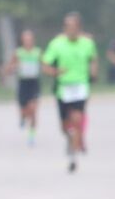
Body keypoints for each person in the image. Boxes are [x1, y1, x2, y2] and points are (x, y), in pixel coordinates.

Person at [42, 12, 98, 173]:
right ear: (64, 28)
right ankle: (71, 139)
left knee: (77, 119)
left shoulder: (87, 43)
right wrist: (55, 72)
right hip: (63, 89)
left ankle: (73, 157)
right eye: (68, 27)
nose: (71, 30)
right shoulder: (56, 44)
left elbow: (93, 59)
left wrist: (93, 73)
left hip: (80, 87)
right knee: (64, 126)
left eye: (74, 27)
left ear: (79, 28)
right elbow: (45, 65)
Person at [3, 29, 42, 145]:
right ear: (22, 41)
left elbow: (45, 66)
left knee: (33, 110)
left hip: (34, 83)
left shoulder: (38, 52)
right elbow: (8, 69)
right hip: (23, 83)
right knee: (24, 111)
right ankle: (22, 117)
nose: (28, 42)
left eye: (29, 40)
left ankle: (31, 136)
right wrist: (14, 67)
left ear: (33, 41)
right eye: (25, 40)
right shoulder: (18, 53)